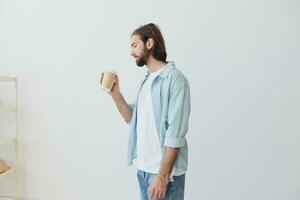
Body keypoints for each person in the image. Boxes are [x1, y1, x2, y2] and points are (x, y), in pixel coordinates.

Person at [107, 23, 191, 200]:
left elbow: (175, 134)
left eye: (134, 45)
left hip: (165, 175)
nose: (131, 51)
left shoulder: (175, 80)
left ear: (149, 43)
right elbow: (131, 118)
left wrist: (162, 177)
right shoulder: (146, 82)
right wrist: (115, 95)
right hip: (144, 171)